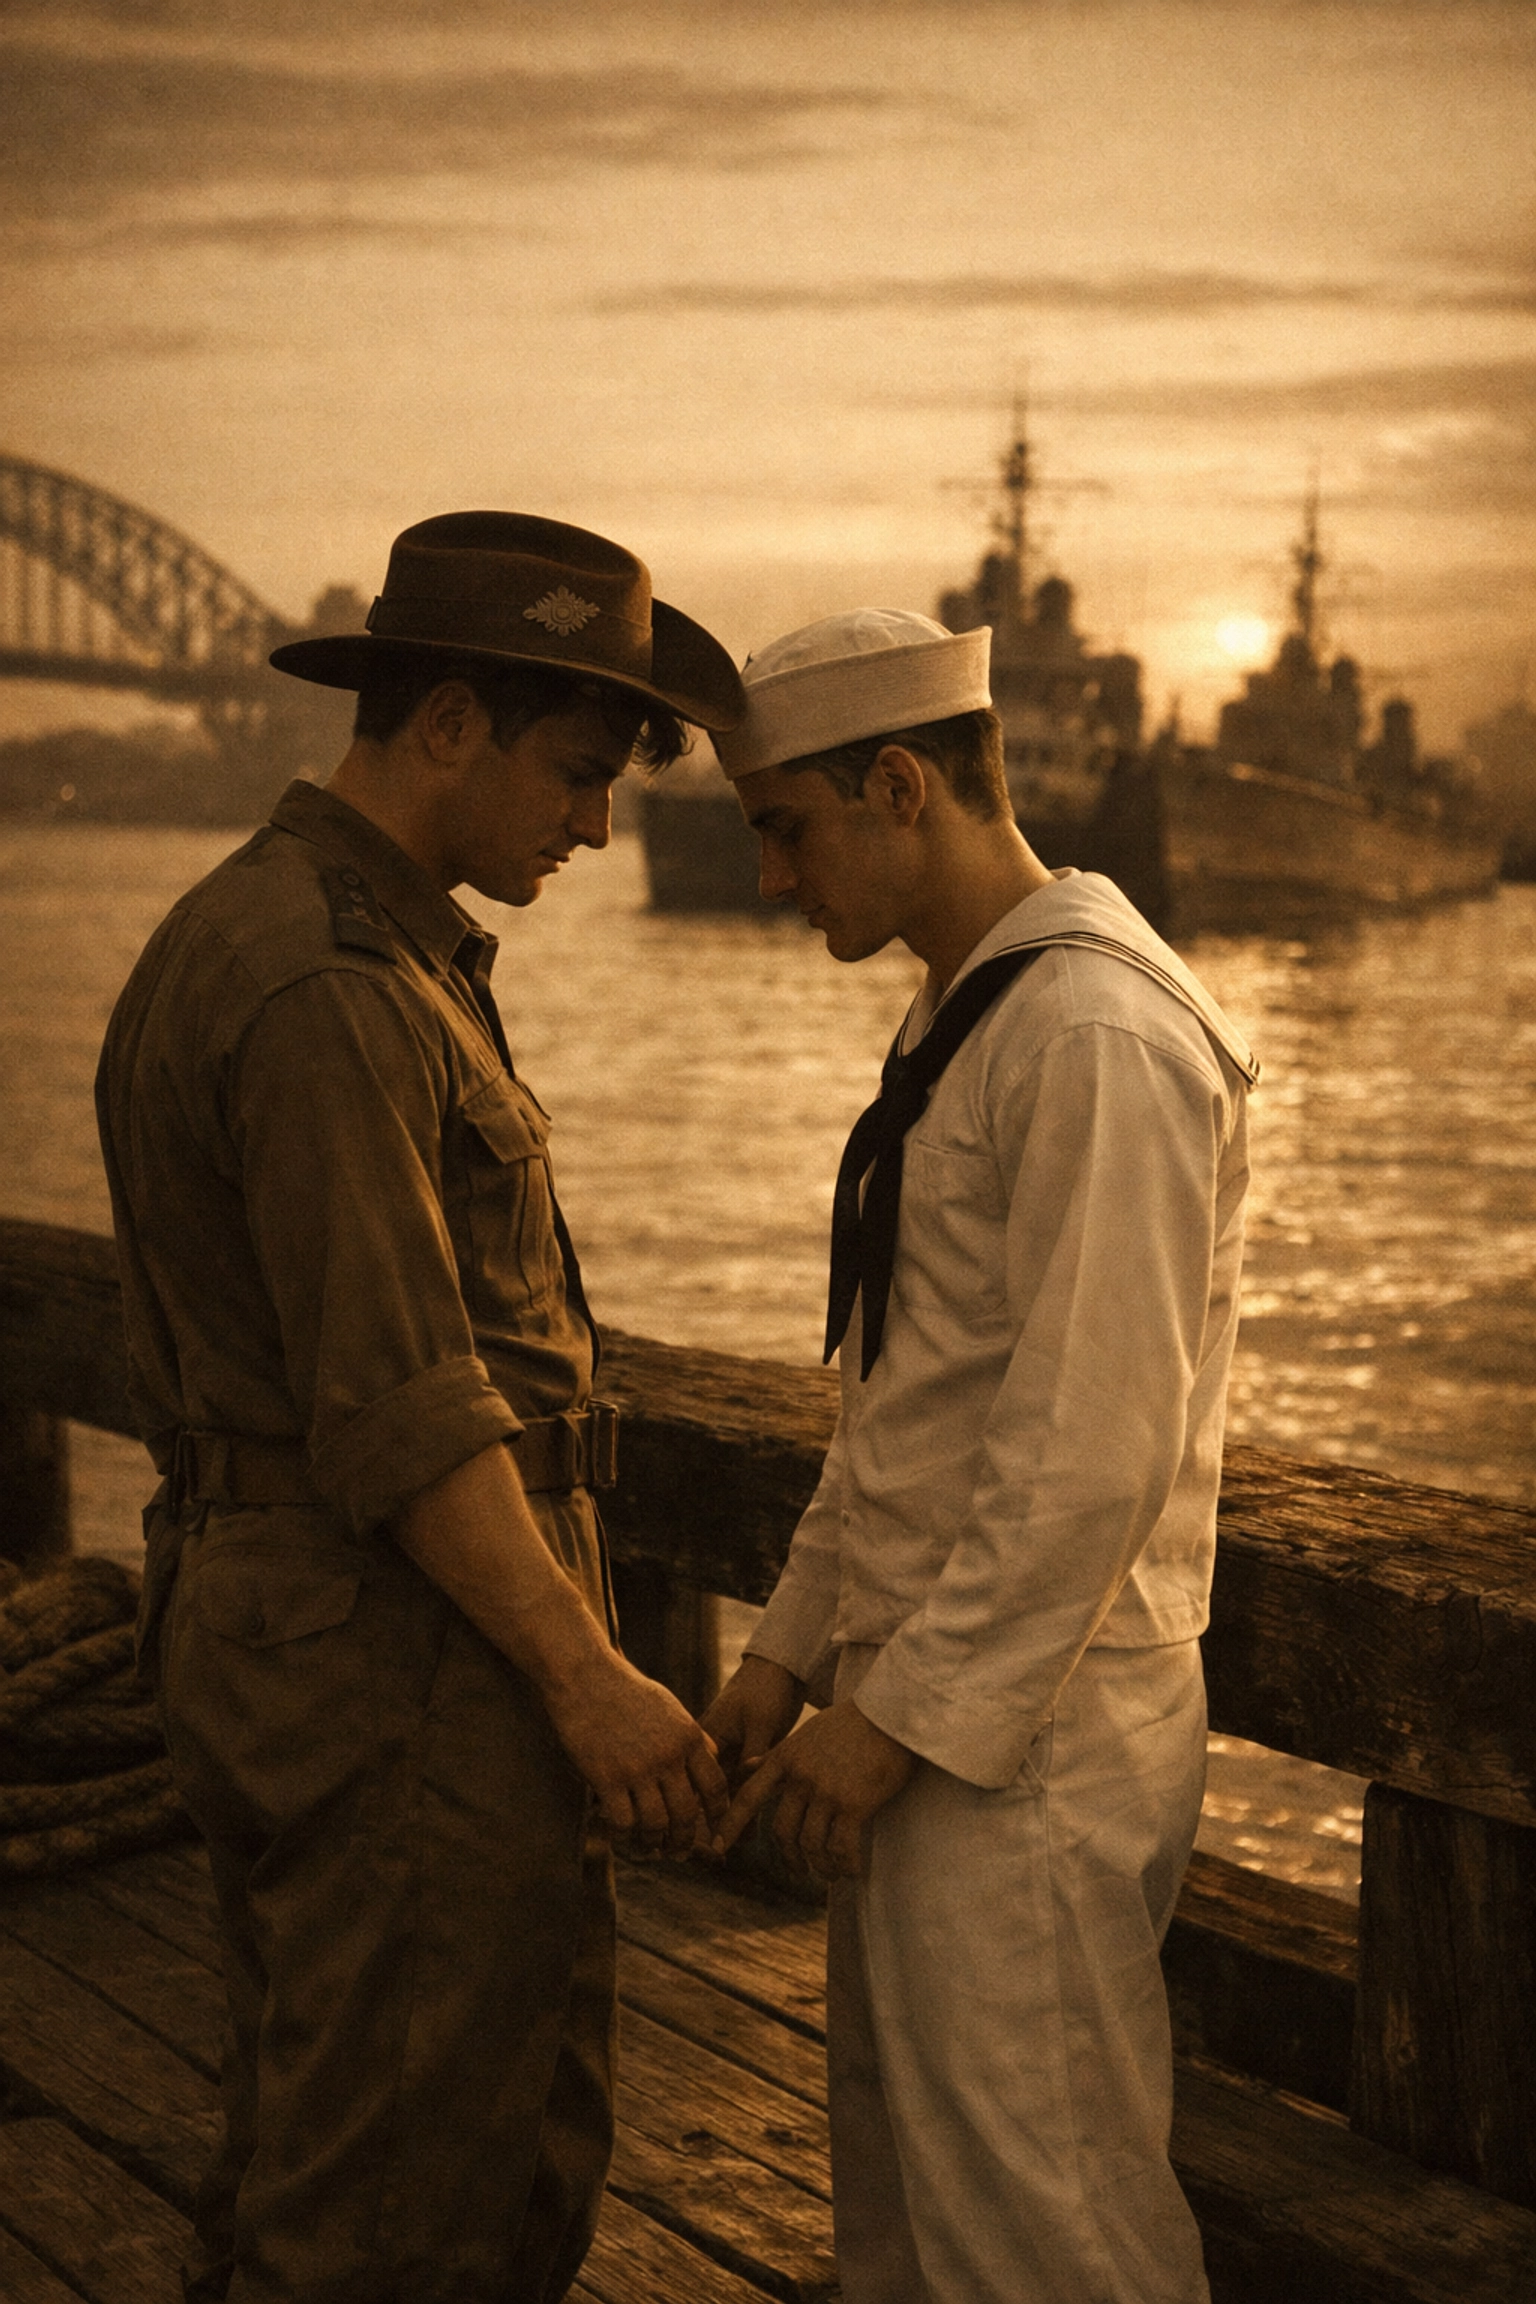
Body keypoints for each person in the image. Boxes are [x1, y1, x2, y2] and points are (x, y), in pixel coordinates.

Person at [94, 513, 744, 2304]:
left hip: (346, 1639)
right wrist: (593, 1680)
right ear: (445, 721)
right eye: (575, 772)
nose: (597, 827)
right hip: (398, 1661)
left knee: (396, 2136)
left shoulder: (306, 937)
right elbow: (408, 1408)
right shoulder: (326, 986)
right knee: (396, 2211)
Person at [702, 608, 1258, 2304]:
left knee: (1048, 2227)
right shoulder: (971, 1019)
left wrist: (893, 1725)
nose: (775, 879)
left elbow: (1090, 1451)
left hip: (1025, 1742)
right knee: (915, 2203)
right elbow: (906, 1407)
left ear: (898, 786)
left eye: (787, 829)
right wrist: (789, 1661)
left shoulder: (1093, 1038)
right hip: (929, 1713)